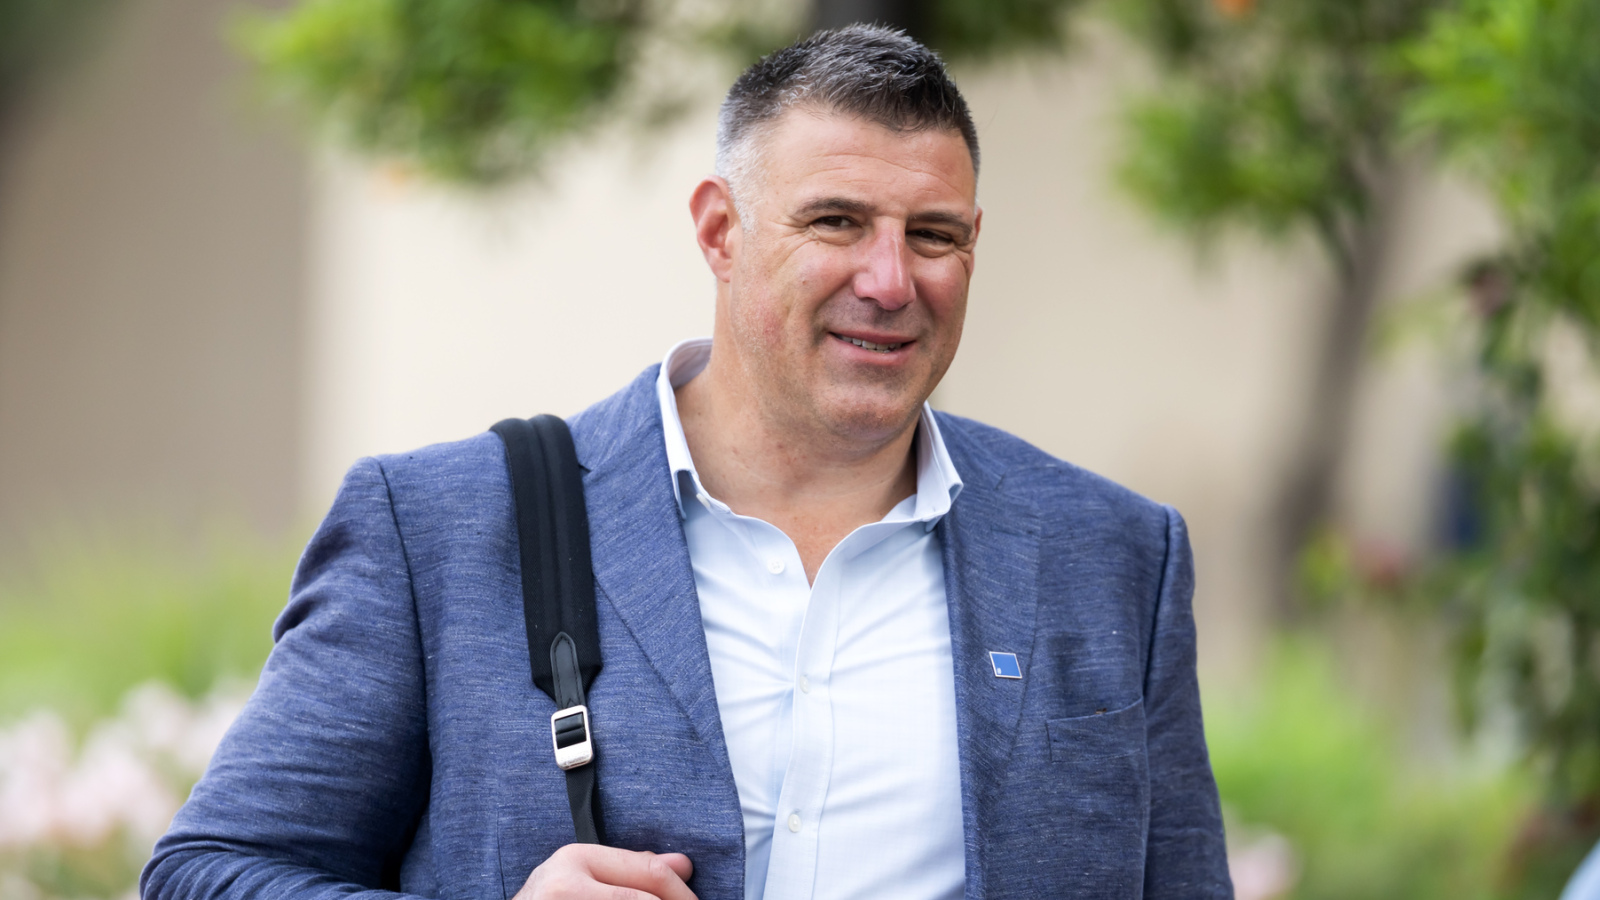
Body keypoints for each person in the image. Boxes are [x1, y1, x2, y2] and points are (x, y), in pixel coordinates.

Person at [143, 25, 1231, 900]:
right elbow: (209, 871)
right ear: (719, 231)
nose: (891, 281)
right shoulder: (439, 526)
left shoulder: (1116, 555)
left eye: (934, 235)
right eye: (836, 222)